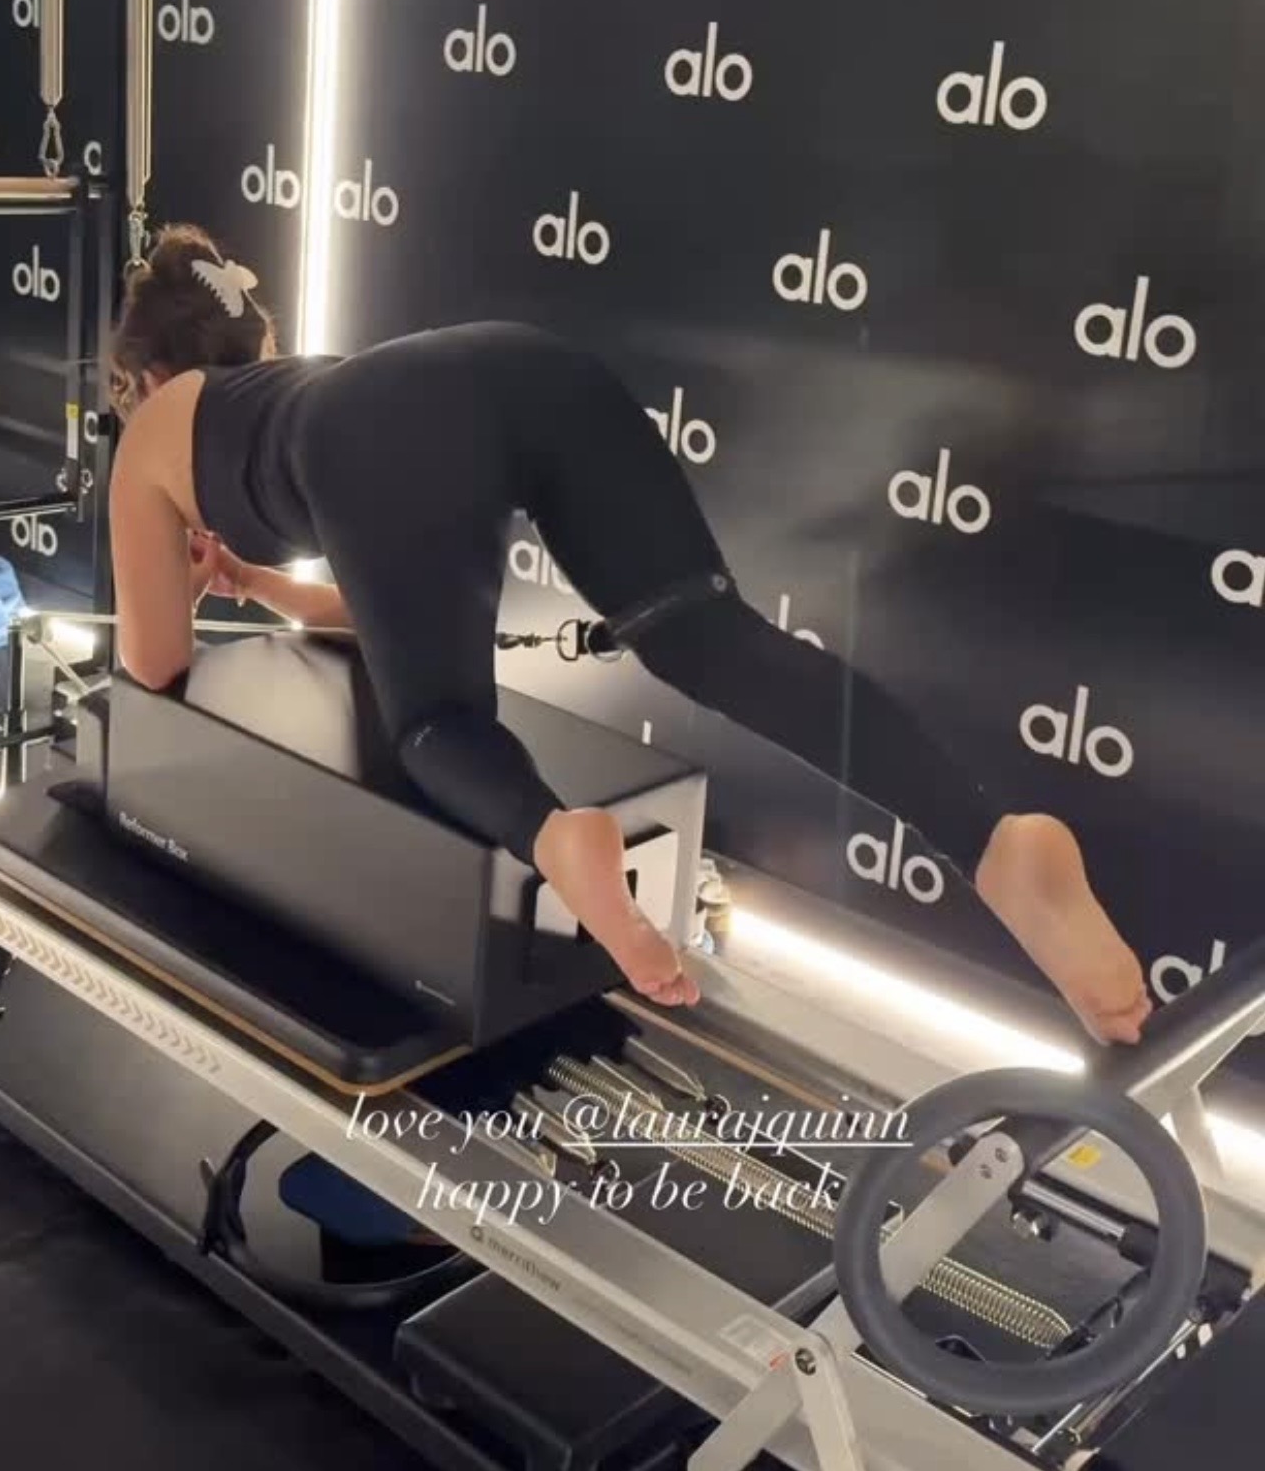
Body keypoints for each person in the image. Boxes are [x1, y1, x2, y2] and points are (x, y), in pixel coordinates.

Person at [108, 224, 1150, 1039]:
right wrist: (255, 582)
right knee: (705, 638)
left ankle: (559, 838)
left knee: (435, 727)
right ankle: (991, 841)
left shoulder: (155, 427)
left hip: (402, 437)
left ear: (143, 378)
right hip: (524, 368)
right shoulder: (311, 389)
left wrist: (185, 579)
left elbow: (152, 663)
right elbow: (393, 610)